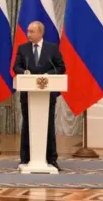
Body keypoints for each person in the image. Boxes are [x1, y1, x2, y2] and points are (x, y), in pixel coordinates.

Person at [13, 20, 66, 172]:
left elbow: (61, 67)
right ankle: (26, 158)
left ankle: (51, 159)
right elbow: (16, 66)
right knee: (28, 124)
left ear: (40, 33)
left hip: (47, 94)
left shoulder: (52, 48)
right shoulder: (23, 48)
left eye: (32, 32)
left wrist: (47, 75)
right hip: (28, 93)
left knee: (48, 124)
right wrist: (24, 72)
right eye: (28, 31)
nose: (28, 34)